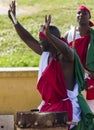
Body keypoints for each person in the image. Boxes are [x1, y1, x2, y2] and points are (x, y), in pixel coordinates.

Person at [8, 1, 94, 130]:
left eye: (43, 40)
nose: (40, 43)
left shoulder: (66, 58)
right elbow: (28, 39)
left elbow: (66, 50)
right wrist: (15, 20)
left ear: (51, 41)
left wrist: (49, 36)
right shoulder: (46, 53)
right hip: (50, 106)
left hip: (67, 109)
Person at [64, 5, 94, 112]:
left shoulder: (93, 36)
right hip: (73, 78)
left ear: (89, 16)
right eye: (78, 13)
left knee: (90, 111)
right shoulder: (69, 34)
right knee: (75, 112)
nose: (81, 15)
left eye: (84, 13)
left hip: (91, 78)